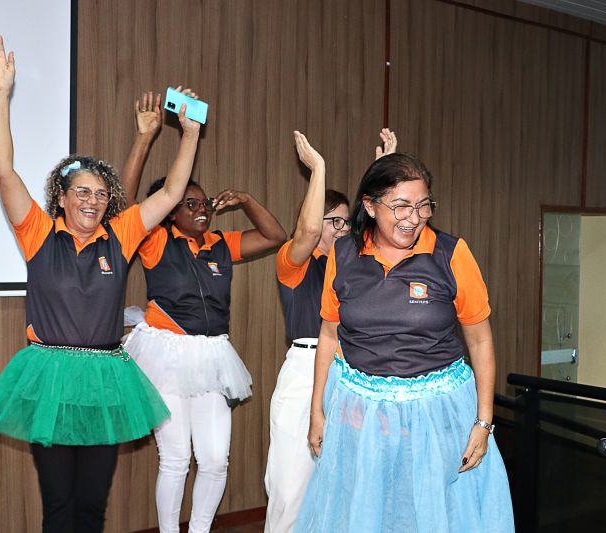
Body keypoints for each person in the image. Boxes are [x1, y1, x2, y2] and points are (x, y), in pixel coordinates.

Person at [0, 35, 202, 533]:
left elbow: (171, 194)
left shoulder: (120, 236)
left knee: (92, 508)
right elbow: (3, 172)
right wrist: (0, 96)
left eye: (100, 194)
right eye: (81, 191)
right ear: (61, 198)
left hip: (105, 380)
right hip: (50, 378)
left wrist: (188, 133)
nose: (91, 201)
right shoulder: (38, 233)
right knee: (59, 506)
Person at [295, 153, 514, 532]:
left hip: (438, 415)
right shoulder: (343, 255)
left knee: (432, 513)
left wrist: (484, 421)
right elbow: (329, 335)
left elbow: (480, 342)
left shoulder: (450, 253)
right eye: (400, 206)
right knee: (367, 511)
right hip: (361, 414)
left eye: (423, 205)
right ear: (370, 205)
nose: (413, 218)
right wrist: (317, 411)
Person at [119, 99, 288, 533]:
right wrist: (144, 138)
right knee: (175, 459)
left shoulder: (220, 244)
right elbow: (126, 207)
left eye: (204, 202)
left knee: (215, 460)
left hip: (212, 356)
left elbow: (274, 235)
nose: (202, 209)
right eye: (189, 202)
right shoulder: (156, 241)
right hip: (165, 355)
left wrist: (246, 200)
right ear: (170, 210)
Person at [263, 129, 396, 533]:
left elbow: (379, 228)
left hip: (350, 374)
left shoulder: (353, 263)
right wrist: (317, 168)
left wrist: (382, 172)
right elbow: (306, 233)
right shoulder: (294, 262)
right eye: (333, 220)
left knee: (345, 487)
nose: (342, 228)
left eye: (345, 221)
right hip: (305, 371)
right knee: (291, 488)